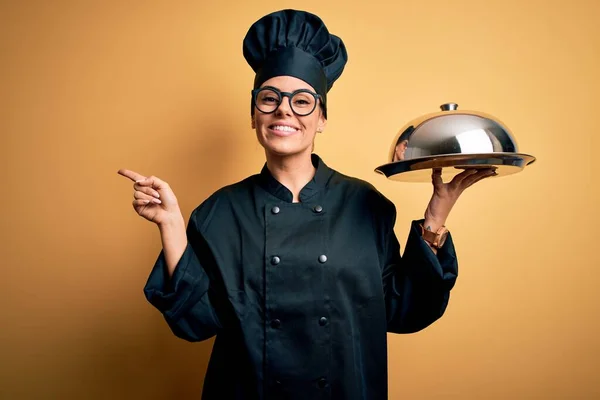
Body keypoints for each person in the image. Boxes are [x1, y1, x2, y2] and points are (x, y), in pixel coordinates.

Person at [118, 9, 495, 400]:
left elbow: (405, 311)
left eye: (301, 101)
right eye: (269, 99)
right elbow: (196, 323)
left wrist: (436, 216)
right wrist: (171, 225)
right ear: (253, 116)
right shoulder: (219, 212)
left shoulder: (366, 205)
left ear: (321, 119)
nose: (284, 110)